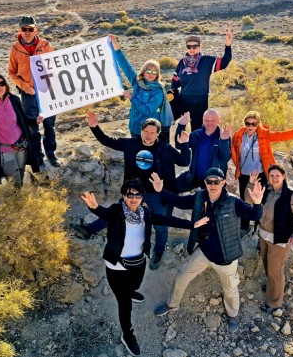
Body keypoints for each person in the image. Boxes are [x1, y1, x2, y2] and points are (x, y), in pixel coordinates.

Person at [80, 179, 208, 356]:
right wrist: (94, 207)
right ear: (124, 196)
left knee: (135, 285)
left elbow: (164, 219)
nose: (133, 198)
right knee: (124, 304)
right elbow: (103, 212)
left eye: (137, 194)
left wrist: (191, 225)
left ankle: (131, 291)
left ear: (142, 196)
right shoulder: (116, 212)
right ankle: (128, 335)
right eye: (129, 194)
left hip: (138, 262)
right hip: (117, 266)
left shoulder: (145, 214)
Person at [150, 168, 263, 333]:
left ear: (223, 183)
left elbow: (255, 216)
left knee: (230, 289)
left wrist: (258, 203)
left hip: (226, 257)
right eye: (209, 181)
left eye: (216, 181)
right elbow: (178, 201)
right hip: (204, 251)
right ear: (205, 183)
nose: (213, 185)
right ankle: (171, 304)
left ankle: (233, 314)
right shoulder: (200, 197)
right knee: (181, 276)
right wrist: (161, 191)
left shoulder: (233, 202)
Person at [82, 111, 191, 270]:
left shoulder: (165, 148)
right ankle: (89, 230)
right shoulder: (131, 144)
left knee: (161, 226)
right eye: (145, 131)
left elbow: (184, 161)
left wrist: (185, 144)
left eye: (152, 133)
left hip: (157, 193)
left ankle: (158, 253)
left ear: (158, 134)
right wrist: (94, 127)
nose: (148, 135)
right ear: (141, 131)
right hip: (134, 191)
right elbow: (107, 141)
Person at [231, 111, 293, 233]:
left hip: (260, 174)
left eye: (254, 124)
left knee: (261, 201)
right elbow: (232, 150)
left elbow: (281, 136)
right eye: (248, 123)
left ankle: (259, 226)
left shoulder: (263, 135)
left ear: (258, 124)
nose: (250, 127)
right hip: (243, 174)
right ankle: (244, 226)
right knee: (244, 201)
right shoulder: (238, 136)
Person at [255, 164, 293, 313]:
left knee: (275, 271)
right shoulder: (267, 191)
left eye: (277, 175)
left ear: (284, 176)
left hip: (280, 239)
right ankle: (274, 287)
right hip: (264, 236)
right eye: (271, 175)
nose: (274, 178)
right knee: (267, 265)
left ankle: (274, 304)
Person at [8, 15, 59, 168]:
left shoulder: (45, 45)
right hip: (27, 93)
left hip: (47, 90)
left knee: (50, 124)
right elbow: (12, 72)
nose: (28, 32)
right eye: (25, 29)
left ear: (36, 30)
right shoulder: (15, 49)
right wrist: (25, 86)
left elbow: (55, 65)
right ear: (20, 30)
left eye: (30, 29)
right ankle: (38, 157)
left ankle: (52, 155)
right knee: (32, 127)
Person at [109, 34, 174, 143]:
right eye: (149, 71)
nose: (151, 74)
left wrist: (131, 97)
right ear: (143, 72)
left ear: (157, 75)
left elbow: (147, 110)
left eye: (154, 72)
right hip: (134, 127)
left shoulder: (158, 91)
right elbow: (126, 66)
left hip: (148, 131)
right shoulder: (138, 83)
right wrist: (115, 45)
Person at [170, 30, 232, 131]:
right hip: (183, 100)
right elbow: (176, 79)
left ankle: (194, 146)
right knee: (167, 120)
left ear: (200, 47)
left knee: (197, 130)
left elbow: (225, 61)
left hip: (200, 102)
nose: (192, 49)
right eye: (189, 47)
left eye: (195, 46)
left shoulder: (207, 61)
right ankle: (174, 144)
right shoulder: (182, 62)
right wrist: (172, 92)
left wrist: (228, 45)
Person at [174, 109, 232, 194]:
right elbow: (179, 144)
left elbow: (225, 158)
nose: (209, 123)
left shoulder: (223, 136)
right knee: (172, 185)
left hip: (213, 181)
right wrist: (181, 126)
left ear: (218, 120)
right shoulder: (196, 135)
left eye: (212, 120)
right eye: (206, 120)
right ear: (203, 120)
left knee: (206, 204)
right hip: (194, 177)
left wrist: (224, 141)